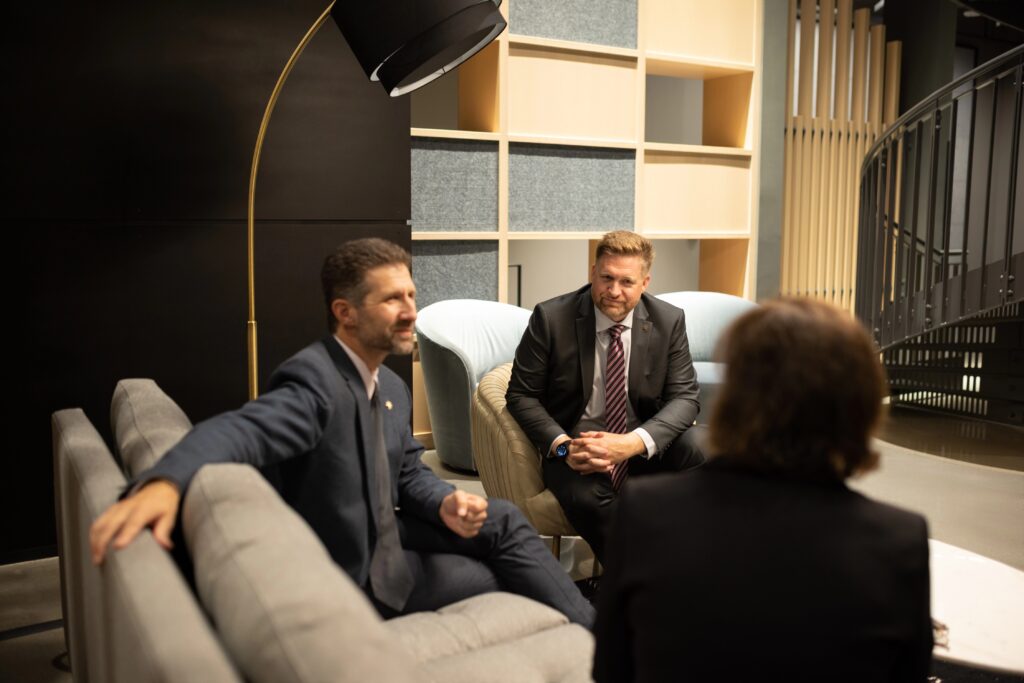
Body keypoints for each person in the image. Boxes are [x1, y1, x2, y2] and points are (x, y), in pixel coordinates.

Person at [91, 238, 594, 627]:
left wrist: (444, 502)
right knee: (505, 572)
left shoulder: (390, 384)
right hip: (358, 570)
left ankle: (596, 636)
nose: (410, 311)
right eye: (392, 299)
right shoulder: (313, 382)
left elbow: (406, 474)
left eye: (412, 294)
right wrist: (164, 481)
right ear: (345, 312)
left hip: (387, 528)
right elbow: (237, 430)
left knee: (502, 520)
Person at [593, 298, 933, 682]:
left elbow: (611, 671)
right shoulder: (898, 542)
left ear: (733, 398)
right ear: (861, 406)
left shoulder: (646, 513)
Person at [505, 230, 704, 565]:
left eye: (626, 282)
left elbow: (685, 397)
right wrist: (564, 446)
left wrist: (632, 443)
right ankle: (638, 587)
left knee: (702, 449)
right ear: (592, 273)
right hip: (579, 448)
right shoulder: (551, 318)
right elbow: (521, 395)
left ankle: (691, 563)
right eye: (606, 277)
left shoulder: (668, 321)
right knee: (589, 498)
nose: (614, 291)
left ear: (645, 282)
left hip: (640, 446)